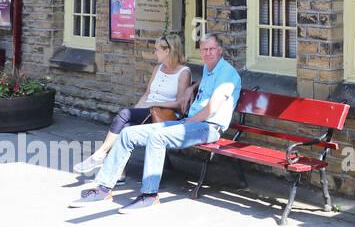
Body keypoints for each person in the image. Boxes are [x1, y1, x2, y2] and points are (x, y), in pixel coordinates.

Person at [69, 33, 241, 213]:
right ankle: (103, 189)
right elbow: (206, 80)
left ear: (220, 50)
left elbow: (211, 109)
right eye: (204, 49)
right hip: (190, 123)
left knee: (157, 137)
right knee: (128, 133)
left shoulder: (228, 74)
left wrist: (184, 123)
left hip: (207, 127)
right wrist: (192, 87)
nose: (208, 53)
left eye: (212, 49)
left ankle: (149, 195)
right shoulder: (209, 69)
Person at [73, 33, 192, 175]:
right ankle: (120, 172)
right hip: (148, 112)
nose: (154, 52)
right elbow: (147, 94)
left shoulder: (184, 72)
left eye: (157, 49)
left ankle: (100, 154)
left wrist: (154, 103)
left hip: (165, 116)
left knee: (124, 114)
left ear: (167, 51)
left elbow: (180, 104)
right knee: (126, 127)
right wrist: (135, 110)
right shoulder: (158, 68)